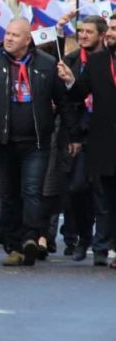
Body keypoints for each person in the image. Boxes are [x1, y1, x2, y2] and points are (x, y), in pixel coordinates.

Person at [0, 18, 75, 266]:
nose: (9, 38)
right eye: (8, 34)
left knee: (32, 191)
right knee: (9, 194)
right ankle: (15, 246)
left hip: (36, 140)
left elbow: (64, 103)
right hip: (5, 140)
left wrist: (72, 135)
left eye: (15, 35)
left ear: (27, 39)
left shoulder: (47, 65)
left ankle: (30, 239)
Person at [57, 29, 116, 268]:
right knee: (101, 195)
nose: (110, 33)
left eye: (114, 29)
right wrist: (70, 80)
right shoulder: (98, 61)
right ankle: (99, 246)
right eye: (110, 29)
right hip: (102, 139)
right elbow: (81, 93)